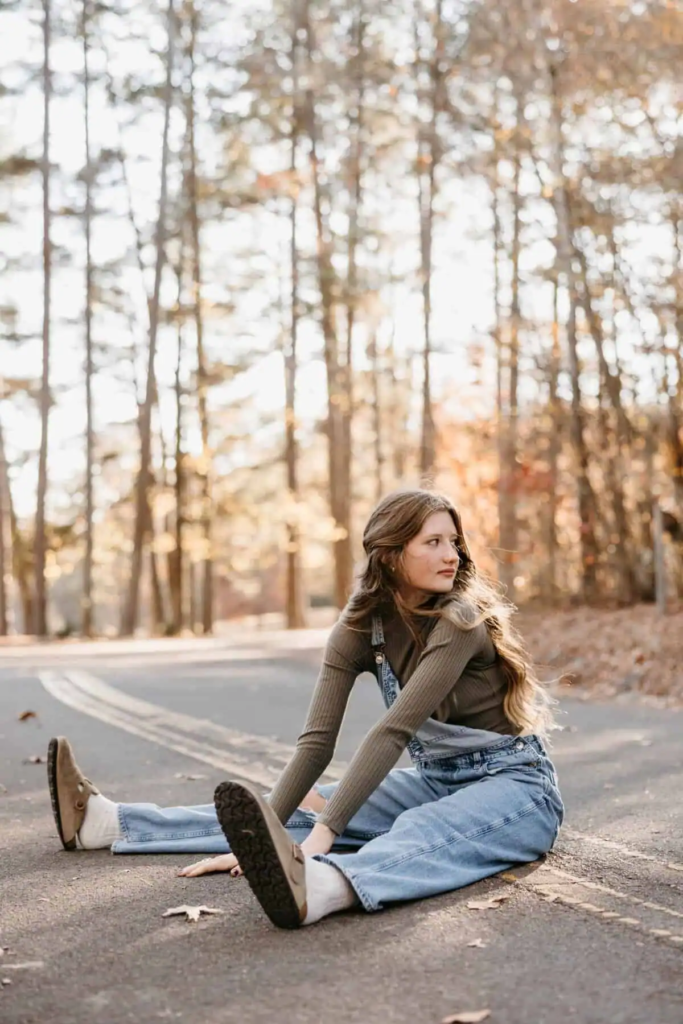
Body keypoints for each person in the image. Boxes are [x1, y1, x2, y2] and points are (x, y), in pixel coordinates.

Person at [47, 489, 563, 929]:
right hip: (436, 780)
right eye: (433, 542)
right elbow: (317, 743)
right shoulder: (361, 628)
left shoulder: (461, 620)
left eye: (453, 541)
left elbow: (394, 730)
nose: (451, 554)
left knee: (422, 831)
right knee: (299, 807)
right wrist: (260, 835)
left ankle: (321, 887)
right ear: (390, 555)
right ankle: (109, 823)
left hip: (516, 786)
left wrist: (324, 839)